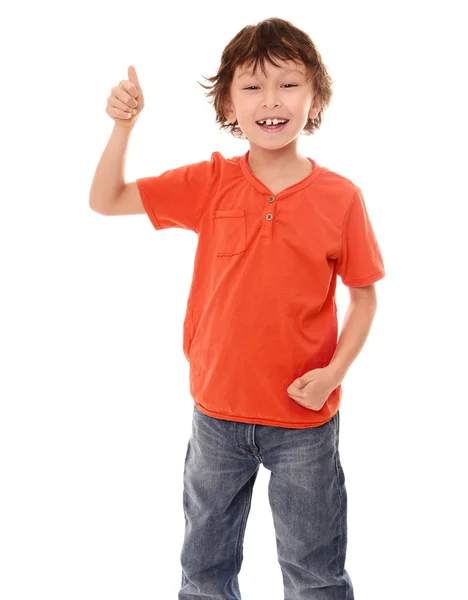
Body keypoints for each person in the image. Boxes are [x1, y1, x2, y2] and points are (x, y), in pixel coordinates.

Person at [89, 16, 385, 600]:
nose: (270, 101)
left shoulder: (341, 197)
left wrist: (334, 373)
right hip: (218, 413)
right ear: (227, 102)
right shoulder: (210, 183)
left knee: (315, 571)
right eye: (251, 87)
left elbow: (365, 295)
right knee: (204, 570)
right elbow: (106, 200)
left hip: (304, 421)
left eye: (288, 84)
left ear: (315, 97)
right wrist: (123, 126)